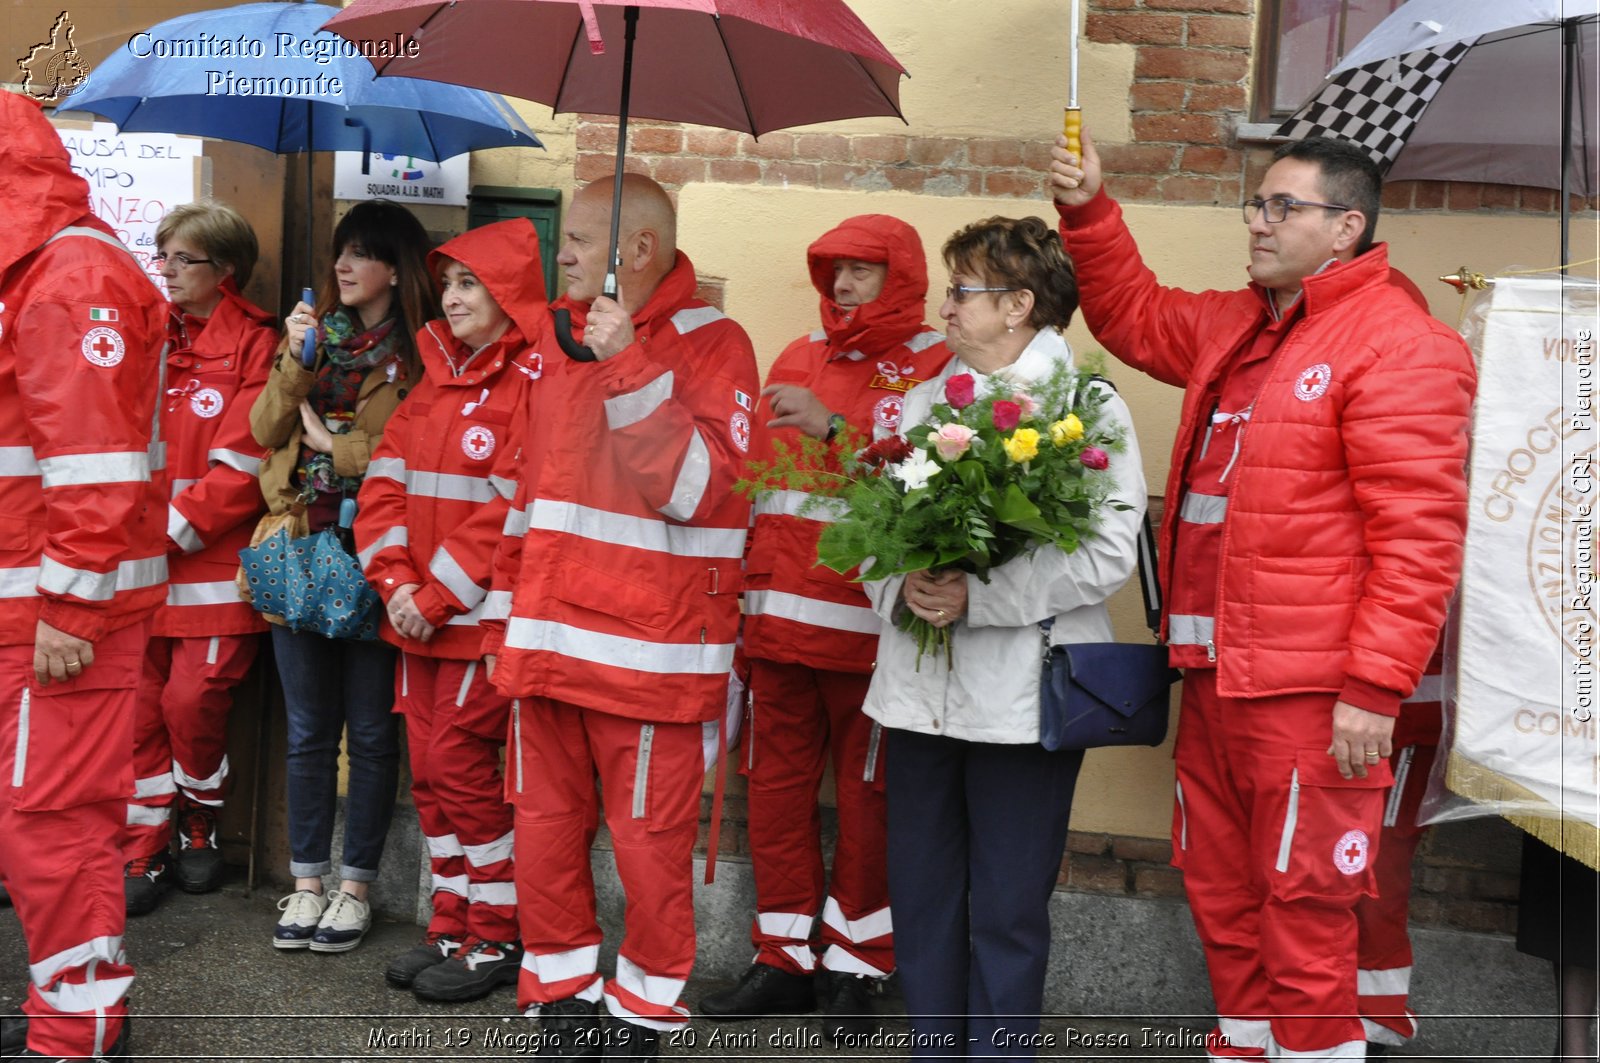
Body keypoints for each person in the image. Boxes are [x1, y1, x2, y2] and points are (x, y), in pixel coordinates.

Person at [1049, 132, 1476, 1060]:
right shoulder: (1238, 322)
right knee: (1222, 887)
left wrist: (1371, 689)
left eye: (1284, 207)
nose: (1258, 221)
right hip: (1212, 678)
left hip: (1311, 695)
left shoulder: (1403, 345)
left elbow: (1418, 540)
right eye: (1257, 204)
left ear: (1346, 227)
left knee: (1305, 907)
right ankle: (1243, 1044)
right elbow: (1130, 311)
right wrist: (1088, 209)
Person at [482, 173, 759, 1060]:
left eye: (576, 238)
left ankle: (643, 1008)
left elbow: (697, 492)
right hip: (547, 649)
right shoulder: (559, 348)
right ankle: (558, 991)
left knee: (649, 854)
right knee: (544, 835)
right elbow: (527, 506)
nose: (556, 252)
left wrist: (625, 362)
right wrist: (501, 629)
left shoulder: (719, 345)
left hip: (652, 658)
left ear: (636, 251)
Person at [861, 215, 1145, 1058]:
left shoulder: (1086, 408)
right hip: (917, 696)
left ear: (1020, 304)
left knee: (1009, 907)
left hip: (1022, 702)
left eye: (961, 290)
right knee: (920, 894)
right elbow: (871, 529)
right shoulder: (923, 398)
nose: (944, 306)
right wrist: (901, 583)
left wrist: (975, 597)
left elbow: (1103, 557)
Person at [700, 215, 949, 1036]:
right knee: (771, 797)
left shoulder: (936, 368)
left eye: (862, 271)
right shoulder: (797, 355)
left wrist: (836, 430)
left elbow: (930, 490)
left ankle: (858, 966)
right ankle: (781, 960)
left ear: (901, 277)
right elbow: (758, 492)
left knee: (869, 804)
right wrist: (739, 599)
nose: (841, 284)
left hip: (870, 634)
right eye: (833, 269)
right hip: (776, 627)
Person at [0, 91, 167, 1060]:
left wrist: (67, 604)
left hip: (60, 623)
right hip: (38, 613)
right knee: (37, 827)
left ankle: (82, 1025)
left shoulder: (69, 274)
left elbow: (94, 464)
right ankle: (70, 1009)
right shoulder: (44, 269)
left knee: (53, 827)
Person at [354, 219, 552, 1001]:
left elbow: (510, 505)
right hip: (418, 620)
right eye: (451, 282)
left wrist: (432, 596)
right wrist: (397, 587)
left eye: (472, 283)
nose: (454, 295)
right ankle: (453, 915)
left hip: (473, 625)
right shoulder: (435, 378)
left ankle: (497, 934)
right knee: (431, 780)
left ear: (508, 296)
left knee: (461, 772)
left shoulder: (531, 384)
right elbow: (382, 488)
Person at [250, 200, 434, 954]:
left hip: (374, 555)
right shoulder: (311, 340)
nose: (343, 267)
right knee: (306, 731)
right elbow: (263, 428)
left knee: (369, 729)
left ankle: (355, 887)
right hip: (297, 546)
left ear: (395, 266)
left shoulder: (421, 354)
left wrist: (333, 440)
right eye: (339, 253)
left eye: (360, 254)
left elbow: (411, 451)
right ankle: (307, 883)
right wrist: (295, 361)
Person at [123, 201, 276, 916]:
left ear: (227, 270)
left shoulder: (254, 341)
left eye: (184, 259)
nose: (169, 271)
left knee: (191, 704)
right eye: (164, 257)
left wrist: (164, 532)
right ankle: (144, 842)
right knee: (138, 714)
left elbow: (242, 467)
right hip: (140, 571)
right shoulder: (148, 333)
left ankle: (200, 818)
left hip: (210, 570)